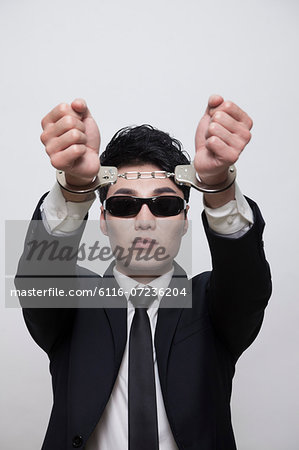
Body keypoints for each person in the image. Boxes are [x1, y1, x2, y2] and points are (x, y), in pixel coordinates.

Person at [16, 95, 272, 450]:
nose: (145, 222)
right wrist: (74, 189)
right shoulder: (74, 302)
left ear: (184, 220)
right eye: (124, 205)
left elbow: (247, 283)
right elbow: (37, 281)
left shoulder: (212, 307)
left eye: (164, 205)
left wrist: (218, 187)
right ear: (103, 220)